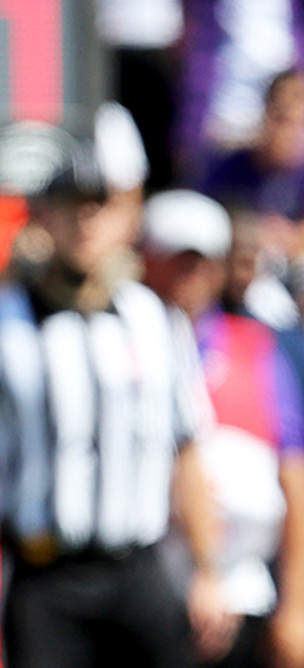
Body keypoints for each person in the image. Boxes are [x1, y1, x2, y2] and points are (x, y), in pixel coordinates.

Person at [0, 144, 228, 668]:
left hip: (138, 570)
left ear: (121, 216)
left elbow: (189, 450)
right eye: (70, 204)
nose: (86, 219)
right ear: (44, 217)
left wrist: (206, 569)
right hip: (46, 579)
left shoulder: (153, 319)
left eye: (99, 205)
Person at [142, 191, 304, 668]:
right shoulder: (123, 343)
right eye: (174, 261)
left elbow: (293, 476)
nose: (187, 277)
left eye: (200, 262)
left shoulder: (256, 347)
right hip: (144, 593)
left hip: (244, 594)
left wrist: (295, 607)